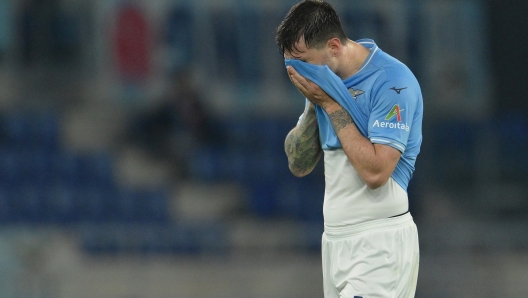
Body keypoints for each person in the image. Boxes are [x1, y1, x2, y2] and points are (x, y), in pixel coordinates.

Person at [275, 1, 423, 297]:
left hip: (379, 241)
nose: (295, 72)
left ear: (333, 47)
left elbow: (377, 172)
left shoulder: (393, 82)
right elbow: (298, 164)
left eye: (302, 61)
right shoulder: (323, 81)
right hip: (335, 241)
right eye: (289, 63)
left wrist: (330, 104)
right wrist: (314, 105)